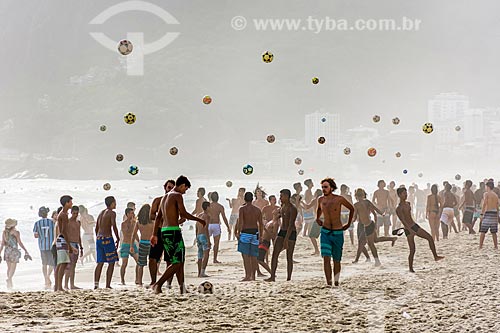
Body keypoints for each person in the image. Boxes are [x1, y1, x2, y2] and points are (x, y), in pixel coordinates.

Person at [150, 175, 206, 294]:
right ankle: (158, 284)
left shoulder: (165, 197)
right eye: (185, 189)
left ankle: (182, 288)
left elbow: (158, 217)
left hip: (164, 232)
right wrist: (199, 220)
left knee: (179, 260)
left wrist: (154, 234)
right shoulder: (177, 195)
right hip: (173, 231)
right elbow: (184, 213)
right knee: (178, 262)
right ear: (181, 185)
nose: (185, 192)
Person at [315, 178, 354, 286]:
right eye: (322, 187)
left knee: (337, 260)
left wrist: (348, 223)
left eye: (326, 187)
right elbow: (319, 209)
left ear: (331, 188)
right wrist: (317, 218)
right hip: (325, 232)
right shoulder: (320, 199)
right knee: (326, 258)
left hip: (337, 232)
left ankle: (336, 281)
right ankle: (329, 283)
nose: (323, 189)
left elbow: (352, 208)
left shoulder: (339, 199)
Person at [395, 187, 444, 272]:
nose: (406, 195)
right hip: (408, 228)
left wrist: (414, 226)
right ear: (399, 195)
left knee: (429, 238)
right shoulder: (399, 208)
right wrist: (410, 230)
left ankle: (435, 256)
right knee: (412, 250)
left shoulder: (408, 204)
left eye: (406, 193)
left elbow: (410, 217)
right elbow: (403, 220)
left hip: (414, 225)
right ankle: (410, 268)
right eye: (403, 193)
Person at [352, 189, 397, 267]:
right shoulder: (357, 205)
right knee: (375, 240)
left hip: (369, 225)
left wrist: (381, 214)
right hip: (364, 225)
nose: (359, 197)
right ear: (356, 196)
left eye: (360, 195)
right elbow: (355, 217)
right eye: (358, 196)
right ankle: (392, 239)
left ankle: (361, 260)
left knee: (368, 243)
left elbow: (375, 210)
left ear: (363, 195)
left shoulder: (365, 202)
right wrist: (349, 221)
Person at [265, 189, 298, 282]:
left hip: (290, 233)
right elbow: (278, 217)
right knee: (275, 253)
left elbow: (291, 225)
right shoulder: (282, 207)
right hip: (282, 231)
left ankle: (288, 278)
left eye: (282, 196)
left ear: (287, 196)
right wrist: (275, 216)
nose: (280, 198)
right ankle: (272, 276)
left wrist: (286, 239)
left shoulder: (293, 208)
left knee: (289, 256)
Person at [149, 180, 175, 285]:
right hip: (159, 231)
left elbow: (182, 217)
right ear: (165, 187)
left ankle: (168, 283)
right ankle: (153, 282)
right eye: (169, 187)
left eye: (172, 188)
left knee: (170, 260)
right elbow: (151, 215)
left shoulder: (176, 202)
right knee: (152, 259)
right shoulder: (157, 200)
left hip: (170, 231)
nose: (170, 190)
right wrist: (161, 218)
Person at [235, 192, 263, 281]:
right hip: (255, 232)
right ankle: (253, 276)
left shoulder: (242, 209)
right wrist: (261, 235)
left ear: (244, 199)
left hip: (245, 232)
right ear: (252, 198)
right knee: (253, 256)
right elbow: (261, 224)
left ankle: (248, 275)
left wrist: (238, 232)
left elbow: (240, 222)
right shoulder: (258, 210)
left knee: (245, 255)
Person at [94, 196, 120, 289]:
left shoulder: (101, 213)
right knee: (111, 262)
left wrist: (97, 237)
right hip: (107, 239)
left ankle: (96, 285)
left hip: (99, 238)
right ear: (112, 203)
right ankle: (107, 285)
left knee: (100, 262)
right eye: (115, 202)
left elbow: (96, 228)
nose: (116, 204)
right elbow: (114, 226)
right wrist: (118, 238)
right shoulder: (112, 213)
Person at [54, 195, 77, 292]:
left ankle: (57, 286)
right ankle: (59, 287)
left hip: (61, 239)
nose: (72, 203)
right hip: (63, 239)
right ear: (66, 203)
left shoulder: (63, 214)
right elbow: (64, 231)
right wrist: (70, 245)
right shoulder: (63, 214)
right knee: (63, 263)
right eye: (71, 202)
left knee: (61, 263)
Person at [0, 219, 30, 289]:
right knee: (13, 268)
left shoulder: (4, 232)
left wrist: (0, 253)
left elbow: (2, 244)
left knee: (9, 268)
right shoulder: (16, 232)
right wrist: (25, 250)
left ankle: (10, 283)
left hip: (7, 251)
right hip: (14, 251)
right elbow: (20, 243)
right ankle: (9, 279)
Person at [33, 206, 55, 288]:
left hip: (42, 246)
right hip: (51, 245)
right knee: (52, 263)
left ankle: (46, 278)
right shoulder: (52, 222)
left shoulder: (37, 223)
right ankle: (48, 276)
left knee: (44, 263)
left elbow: (35, 235)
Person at [133, 204, 153, 285]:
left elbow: (133, 234)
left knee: (141, 264)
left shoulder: (139, 222)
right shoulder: (153, 222)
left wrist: (131, 245)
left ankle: (140, 281)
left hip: (142, 243)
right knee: (153, 262)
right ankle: (153, 280)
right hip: (152, 243)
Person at [64, 206, 83, 290]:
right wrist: (69, 246)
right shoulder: (67, 222)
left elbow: (78, 235)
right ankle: (65, 284)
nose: (75, 215)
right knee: (68, 265)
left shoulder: (78, 222)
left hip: (76, 244)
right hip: (70, 244)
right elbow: (65, 235)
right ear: (71, 212)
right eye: (73, 213)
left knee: (73, 266)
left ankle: (72, 284)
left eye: (76, 213)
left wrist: (81, 247)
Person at [207, 192, 229, 264]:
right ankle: (214, 259)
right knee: (216, 243)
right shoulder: (220, 206)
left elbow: (204, 215)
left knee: (206, 242)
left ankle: (203, 258)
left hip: (209, 225)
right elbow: (224, 218)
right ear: (218, 198)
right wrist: (228, 227)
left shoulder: (208, 206)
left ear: (211, 197)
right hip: (216, 225)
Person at [257, 208, 281, 274]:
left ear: (278, 213)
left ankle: (271, 272)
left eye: (277, 210)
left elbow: (273, 236)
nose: (275, 209)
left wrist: (265, 229)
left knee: (259, 259)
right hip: (262, 241)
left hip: (265, 242)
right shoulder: (270, 221)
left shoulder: (276, 223)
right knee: (255, 258)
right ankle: (258, 272)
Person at [120, 208, 139, 285]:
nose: (132, 215)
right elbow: (127, 233)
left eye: (133, 213)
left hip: (133, 244)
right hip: (125, 245)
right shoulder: (123, 223)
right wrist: (131, 224)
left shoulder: (134, 223)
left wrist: (139, 241)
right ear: (127, 214)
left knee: (139, 262)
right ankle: (122, 280)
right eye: (131, 213)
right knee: (124, 263)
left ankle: (137, 279)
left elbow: (135, 234)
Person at [302, 189, 323, 255]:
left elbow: (307, 207)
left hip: (319, 219)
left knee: (311, 236)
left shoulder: (315, 200)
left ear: (316, 194)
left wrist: (301, 202)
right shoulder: (324, 200)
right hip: (326, 219)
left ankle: (317, 250)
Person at [479, 182, 499, 249]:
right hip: (494, 213)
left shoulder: (486, 194)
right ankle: (495, 246)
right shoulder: (496, 195)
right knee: (494, 232)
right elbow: (497, 206)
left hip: (488, 213)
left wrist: (482, 214)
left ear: (487, 187)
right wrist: (497, 216)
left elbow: (484, 204)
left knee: (483, 231)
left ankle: (480, 246)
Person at [196, 201, 211, 277]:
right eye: (209, 206)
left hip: (198, 235)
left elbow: (196, 227)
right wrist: (208, 240)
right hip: (204, 236)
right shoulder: (207, 216)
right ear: (207, 207)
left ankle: (199, 273)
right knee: (206, 254)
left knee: (200, 254)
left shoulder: (199, 215)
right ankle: (202, 272)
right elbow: (206, 228)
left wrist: (196, 237)